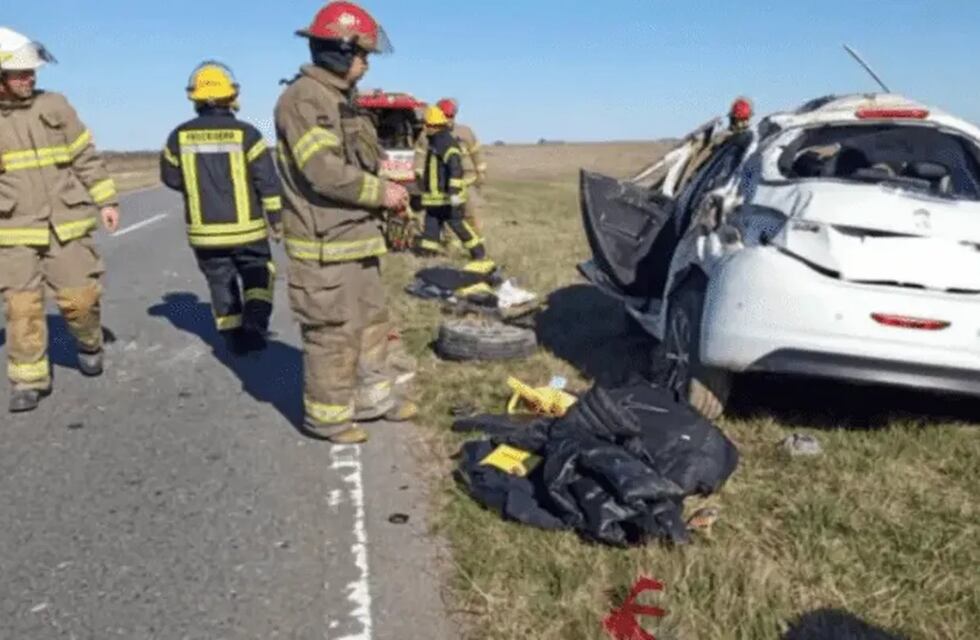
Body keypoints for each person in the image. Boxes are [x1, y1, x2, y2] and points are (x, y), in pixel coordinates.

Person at [274, 2, 417, 443]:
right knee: (333, 336)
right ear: (339, 50)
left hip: (357, 241)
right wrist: (381, 192)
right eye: (362, 54)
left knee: (372, 326)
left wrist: (389, 196)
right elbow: (323, 171)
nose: (367, 63)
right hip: (324, 247)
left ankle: (375, 401)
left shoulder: (342, 101)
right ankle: (329, 419)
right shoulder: (304, 99)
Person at [0, 28, 120, 413]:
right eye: (20, 73)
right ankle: (28, 380)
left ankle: (89, 341)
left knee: (80, 301)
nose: (29, 78)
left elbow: (85, 156)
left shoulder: (55, 105)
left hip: (65, 223)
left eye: (31, 72)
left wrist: (106, 200)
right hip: (13, 228)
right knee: (22, 307)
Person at [160, 61, 283, 355]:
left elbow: (170, 177)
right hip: (248, 231)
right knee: (258, 274)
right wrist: (276, 219)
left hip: (205, 234)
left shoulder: (178, 136)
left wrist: (199, 187)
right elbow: (267, 181)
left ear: (195, 98)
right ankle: (255, 322)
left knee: (219, 281)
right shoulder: (247, 135)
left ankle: (233, 338)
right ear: (231, 96)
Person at [415, 105, 491, 267]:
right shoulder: (434, 140)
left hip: (447, 198)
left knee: (458, 225)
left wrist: (454, 193)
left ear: (434, 125)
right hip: (434, 199)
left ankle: (478, 252)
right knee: (431, 228)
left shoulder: (446, 143)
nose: (424, 127)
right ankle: (427, 255)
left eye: (426, 124)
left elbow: (455, 168)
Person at [414, 98, 487, 231]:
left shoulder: (465, 132)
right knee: (448, 217)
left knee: (472, 214)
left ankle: (476, 239)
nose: (448, 120)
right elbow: (420, 155)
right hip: (442, 185)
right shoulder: (427, 135)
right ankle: (449, 240)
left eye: (451, 116)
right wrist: (419, 174)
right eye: (445, 116)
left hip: (467, 182)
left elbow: (476, 152)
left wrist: (481, 171)